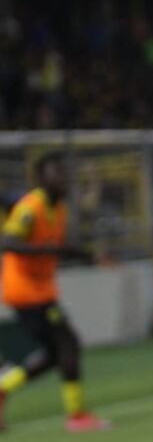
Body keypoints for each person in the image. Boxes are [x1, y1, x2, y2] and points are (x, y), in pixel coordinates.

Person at [0, 152, 109, 432]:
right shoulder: (30, 207)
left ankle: (3, 386)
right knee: (68, 344)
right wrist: (46, 250)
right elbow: (9, 242)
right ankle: (76, 417)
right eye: (56, 174)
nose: (63, 179)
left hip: (41, 289)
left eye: (64, 173)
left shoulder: (58, 209)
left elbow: (58, 247)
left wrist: (90, 257)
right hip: (26, 290)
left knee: (54, 354)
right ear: (40, 179)